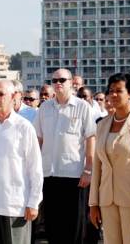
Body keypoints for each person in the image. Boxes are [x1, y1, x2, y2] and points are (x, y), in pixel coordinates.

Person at [0, 79, 43, 244]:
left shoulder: (24, 127)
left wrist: (33, 202)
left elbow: (35, 168)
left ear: (13, 97)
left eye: (1, 94)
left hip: (15, 206)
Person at [89, 73, 130, 244]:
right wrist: (93, 203)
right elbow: (98, 166)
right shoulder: (102, 125)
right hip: (106, 199)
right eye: (111, 91)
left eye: (119, 91)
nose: (114, 95)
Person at [34, 69, 96, 244]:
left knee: (74, 227)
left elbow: (91, 138)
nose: (58, 83)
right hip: (49, 174)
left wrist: (88, 169)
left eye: (62, 80)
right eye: (54, 80)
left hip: (74, 175)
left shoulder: (82, 106)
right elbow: (38, 139)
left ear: (71, 83)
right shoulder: (44, 107)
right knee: (53, 226)